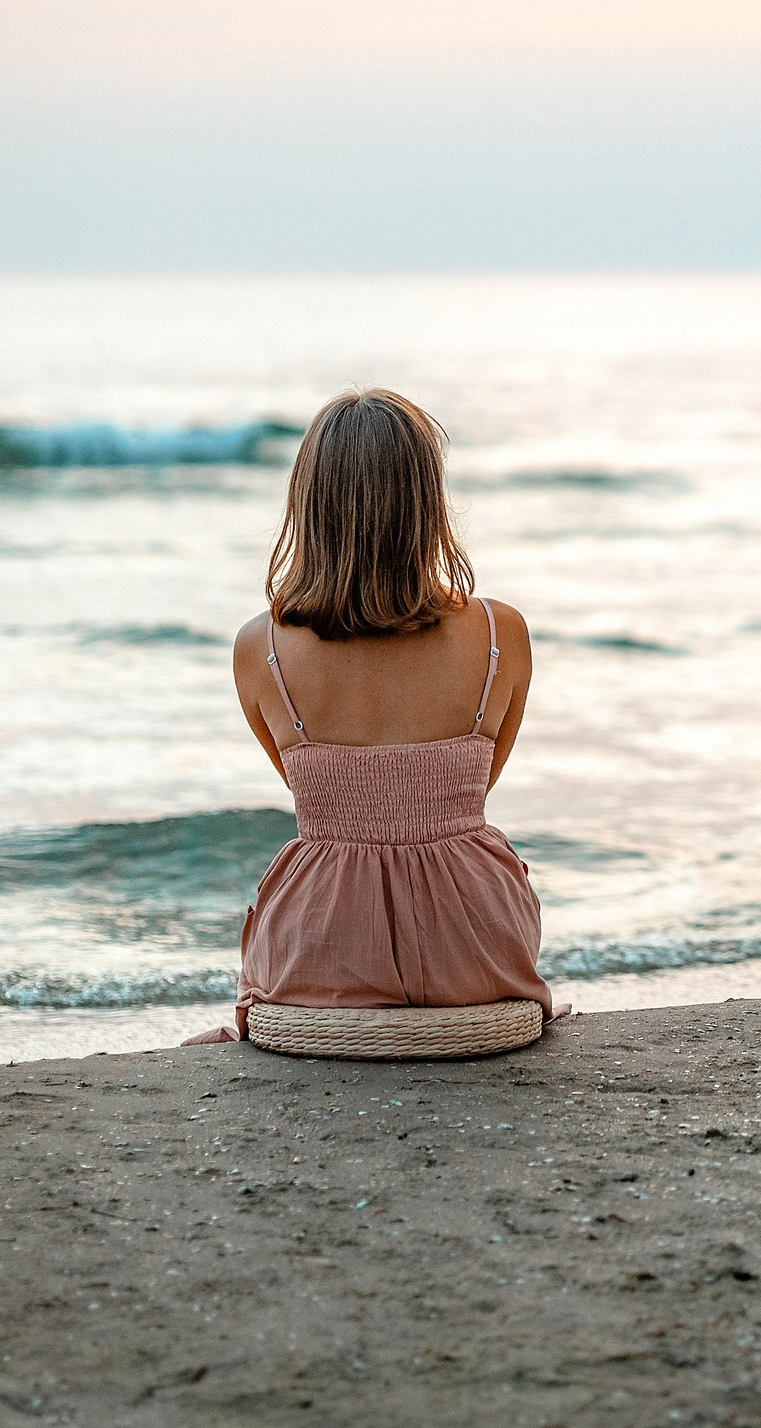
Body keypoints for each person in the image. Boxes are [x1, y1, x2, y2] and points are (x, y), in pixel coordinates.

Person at [181, 387, 560, 1045]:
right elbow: (467, 791)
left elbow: (323, 803)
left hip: (321, 954)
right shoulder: (502, 633)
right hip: (476, 950)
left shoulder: (258, 649)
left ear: (309, 502)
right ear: (428, 500)